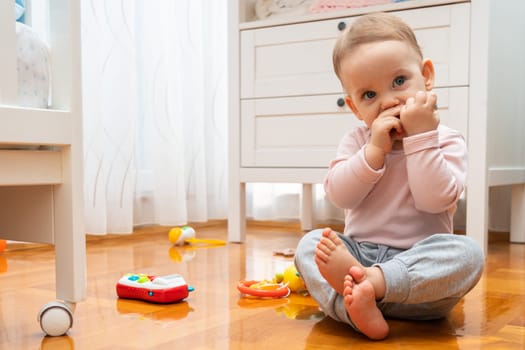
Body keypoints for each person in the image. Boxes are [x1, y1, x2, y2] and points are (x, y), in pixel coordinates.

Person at [294, 12, 484, 340]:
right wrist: (373, 152)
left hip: (418, 278)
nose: (389, 102)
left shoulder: (445, 139)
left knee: (468, 254)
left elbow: (433, 200)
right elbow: (339, 196)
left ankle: (371, 285)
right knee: (310, 245)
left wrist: (421, 138)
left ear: (426, 76)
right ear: (355, 108)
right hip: (358, 257)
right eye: (370, 95)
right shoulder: (357, 140)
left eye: (399, 82)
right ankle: (356, 308)